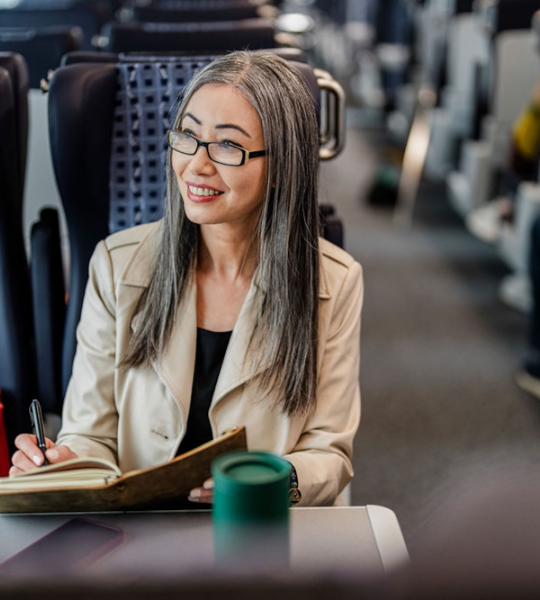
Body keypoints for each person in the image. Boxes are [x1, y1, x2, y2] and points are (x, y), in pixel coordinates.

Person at [10, 51, 363, 506]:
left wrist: (277, 480)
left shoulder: (334, 282)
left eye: (228, 146)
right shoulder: (116, 266)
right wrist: (62, 462)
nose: (196, 164)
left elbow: (328, 450)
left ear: (279, 169)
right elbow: (90, 436)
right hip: (135, 536)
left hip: (254, 529)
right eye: (187, 137)